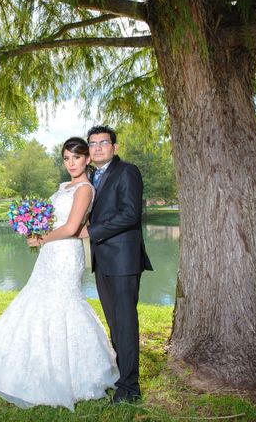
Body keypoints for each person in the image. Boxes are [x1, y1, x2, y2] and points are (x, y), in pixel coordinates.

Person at [0, 137, 119, 410]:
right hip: (50, 255)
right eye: (66, 158)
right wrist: (33, 226)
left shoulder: (84, 190)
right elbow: (55, 220)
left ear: (87, 159)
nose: (71, 163)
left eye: (76, 157)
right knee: (36, 300)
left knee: (63, 304)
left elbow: (70, 228)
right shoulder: (63, 187)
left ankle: (69, 373)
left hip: (66, 254)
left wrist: (41, 238)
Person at [79, 125, 152, 404]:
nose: (97, 148)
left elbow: (130, 214)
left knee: (125, 323)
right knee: (115, 323)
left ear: (115, 147)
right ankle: (121, 377)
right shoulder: (92, 177)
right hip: (103, 260)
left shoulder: (127, 171)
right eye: (92, 143)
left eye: (103, 143)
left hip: (123, 260)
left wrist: (92, 232)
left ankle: (130, 388)